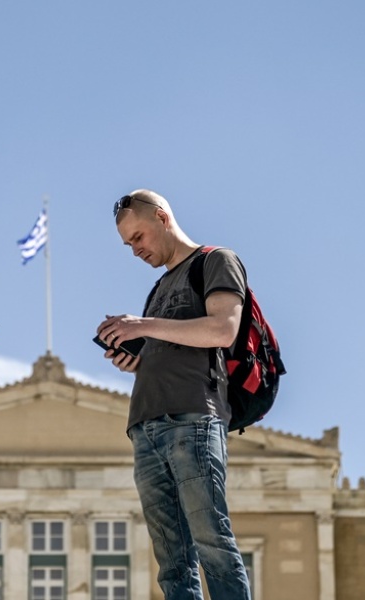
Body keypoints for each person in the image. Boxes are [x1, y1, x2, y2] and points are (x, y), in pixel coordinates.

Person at [96, 189, 251, 599]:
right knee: (171, 562)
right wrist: (137, 362)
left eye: (138, 237)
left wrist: (143, 325)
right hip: (144, 428)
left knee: (212, 540)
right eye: (128, 244)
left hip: (193, 420)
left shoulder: (215, 261)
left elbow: (223, 330)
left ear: (162, 218)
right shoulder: (159, 288)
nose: (135, 249)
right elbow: (174, 349)